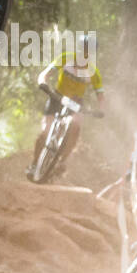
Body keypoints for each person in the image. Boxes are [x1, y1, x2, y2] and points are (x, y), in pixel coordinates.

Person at [28, 38, 105, 177]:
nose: (85, 53)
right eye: (83, 49)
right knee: (45, 131)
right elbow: (45, 74)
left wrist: (100, 109)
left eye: (88, 51)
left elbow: (100, 95)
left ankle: (62, 162)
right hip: (57, 97)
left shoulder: (93, 72)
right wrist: (42, 82)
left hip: (76, 102)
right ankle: (34, 164)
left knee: (75, 125)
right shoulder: (65, 58)